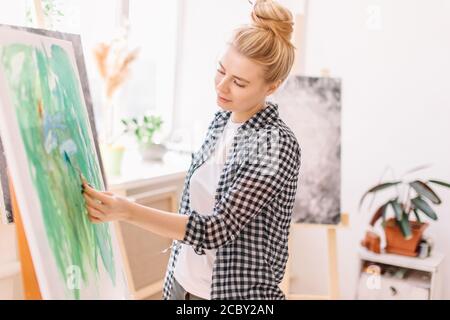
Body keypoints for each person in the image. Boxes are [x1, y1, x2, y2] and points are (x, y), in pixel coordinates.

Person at [82, 0, 301, 300]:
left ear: (271, 87)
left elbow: (216, 229)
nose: (222, 87)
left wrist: (127, 210)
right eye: (221, 71)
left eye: (238, 82)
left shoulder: (274, 143)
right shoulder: (222, 120)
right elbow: (196, 205)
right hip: (181, 284)